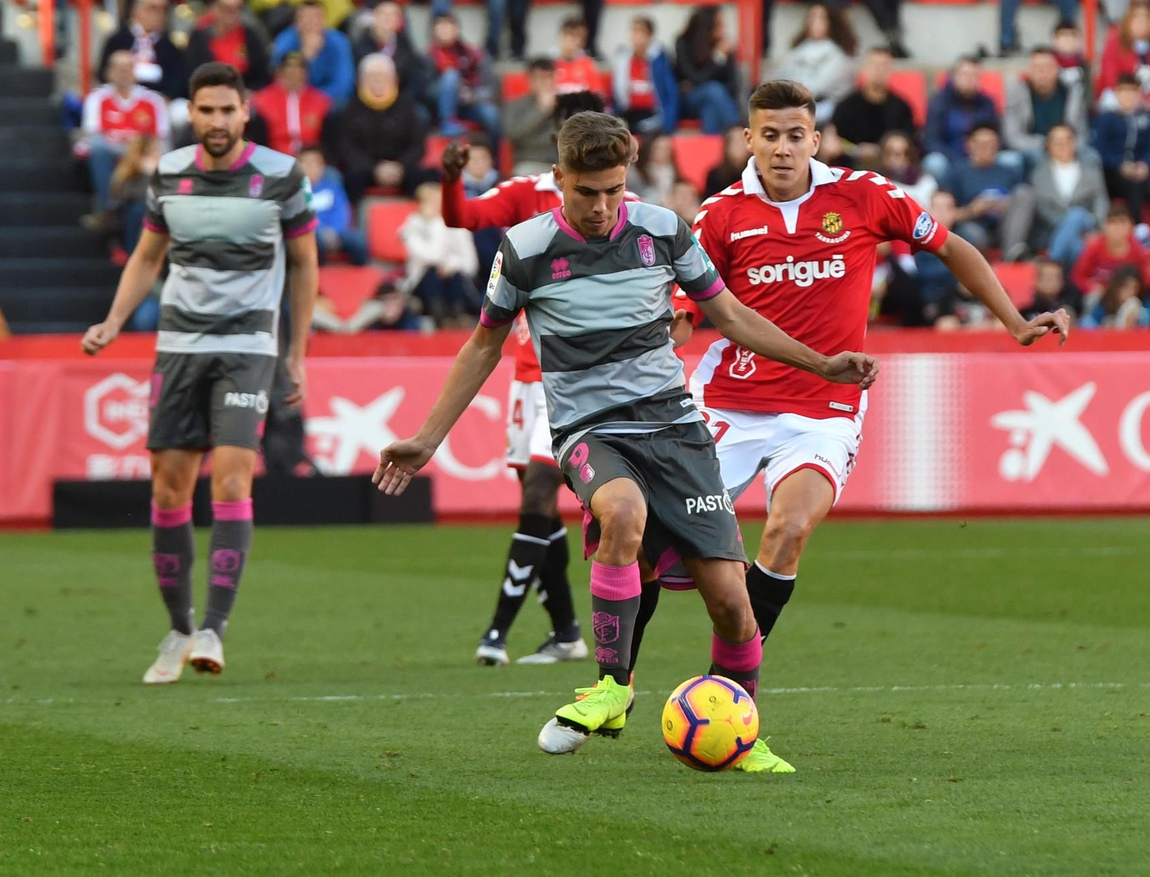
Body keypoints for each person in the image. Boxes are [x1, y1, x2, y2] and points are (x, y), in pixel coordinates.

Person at [374, 111, 880, 775]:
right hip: (592, 428)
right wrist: (426, 438)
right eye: (588, 192)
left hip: (675, 424)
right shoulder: (524, 249)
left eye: (614, 189)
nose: (603, 206)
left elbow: (727, 314)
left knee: (731, 601)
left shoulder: (664, 230)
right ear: (559, 180)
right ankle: (613, 685)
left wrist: (820, 363)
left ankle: (742, 730)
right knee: (623, 514)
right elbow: (483, 344)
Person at [643, 80, 1066, 727]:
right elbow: (687, 310)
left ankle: (731, 693)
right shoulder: (719, 214)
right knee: (650, 538)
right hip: (730, 399)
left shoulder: (865, 196)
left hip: (824, 406)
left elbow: (950, 246)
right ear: (748, 139)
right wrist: (657, 342)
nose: (783, 148)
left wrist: (1012, 321)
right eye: (770, 135)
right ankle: (613, 683)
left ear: (817, 139)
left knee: (787, 531)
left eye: (795, 135)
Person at [80, 62, 319, 686]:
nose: (216, 121)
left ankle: (215, 627)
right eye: (205, 110)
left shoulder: (280, 177)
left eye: (227, 110)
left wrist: (296, 352)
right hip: (178, 346)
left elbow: (303, 263)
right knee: (167, 490)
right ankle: (179, 628)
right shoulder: (167, 173)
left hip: (248, 346)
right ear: (191, 112)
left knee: (234, 482)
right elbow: (148, 255)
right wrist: (112, 321)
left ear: (246, 112)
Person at [438, 127, 630, 666]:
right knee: (540, 512)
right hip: (527, 378)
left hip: (578, 380)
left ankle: (496, 633)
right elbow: (463, 218)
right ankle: (567, 631)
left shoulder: (622, 204)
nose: (599, 200)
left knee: (537, 499)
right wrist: (451, 179)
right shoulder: (529, 194)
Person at [82, 50, 171, 216]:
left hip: (143, 158)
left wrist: (138, 154)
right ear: (108, 72)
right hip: (113, 154)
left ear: (135, 72)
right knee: (97, 148)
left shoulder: (153, 101)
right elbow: (92, 137)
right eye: (118, 68)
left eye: (128, 68)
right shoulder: (97, 98)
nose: (123, 73)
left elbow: (160, 140)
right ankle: (109, 206)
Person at [325, 53, 427, 194]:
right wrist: (374, 169)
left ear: (394, 80)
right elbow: (347, 148)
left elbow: (417, 145)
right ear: (360, 81)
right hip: (365, 169)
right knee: (350, 178)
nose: (378, 81)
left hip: (400, 168)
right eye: (372, 77)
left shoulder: (408, 107)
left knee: (427, 177)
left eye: (383, 76)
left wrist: (400, 166)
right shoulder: (348, 110)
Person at [1010, 123, 1109, 264]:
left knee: (1077, 215)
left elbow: (1101, 201)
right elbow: (1042, 208)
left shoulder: (1091, 169)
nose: (1062, 145)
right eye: (1057, 141)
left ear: (1074, 142)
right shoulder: (1038, 174)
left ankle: (1052, 262)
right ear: (1048, 145)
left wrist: (1097, 228)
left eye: (1067, 140)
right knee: (1076, 243)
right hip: (1051, 230)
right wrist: (1068, 225)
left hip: (1086, 226)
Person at [1092, 74, 1150, 239]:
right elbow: (1100, 150)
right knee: (1132, 184)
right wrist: (1120, 165)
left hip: (1141, 167)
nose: (1128, 97)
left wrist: (1146, 164)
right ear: (1116, 93)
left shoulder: (1148, 118)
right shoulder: (1106, 119)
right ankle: (1139, 227)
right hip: (1115, 172)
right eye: (1124, 92)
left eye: (1133, 92)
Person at [399, 181, 479, 325]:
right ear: (420, 204)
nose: (438, 206)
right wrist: (437, 224)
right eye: (432, 202)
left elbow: (471, 264)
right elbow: (433, 256)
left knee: (454, 276)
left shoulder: (458, 226)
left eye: (440, 201)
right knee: (432, 274)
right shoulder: (411, 229)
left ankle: (457, 318)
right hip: (421, 287)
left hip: (455, 283)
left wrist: (451, 265)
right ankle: (440, 318)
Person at [943, 122, 1025, 249]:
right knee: (973, 233)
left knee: (1024, 192)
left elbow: (1022, 205)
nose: (987, 148)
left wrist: (1008, 204)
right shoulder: (956, 173)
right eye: (982, 144)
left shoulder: (1009, 172)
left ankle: (1011, 252)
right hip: (972, 225)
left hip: (1005, 226)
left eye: (991, 144)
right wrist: (973, 209)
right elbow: (945, 214)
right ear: (969, 145)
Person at [99, 0, 188, 103]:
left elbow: (178, 78)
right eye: (152, 8)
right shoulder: (119, 38)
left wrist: (168, 97)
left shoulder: (169, 46)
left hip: (159, 99)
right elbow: (103, 71)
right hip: (122, 95)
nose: (158, 14)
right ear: (136, 9)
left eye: (163, 10)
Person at [924, 57, 1005, 182]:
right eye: (965, 75)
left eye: (974, 76)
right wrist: (957, 159)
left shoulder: (987, 103)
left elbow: (997, 135)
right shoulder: (939, 102)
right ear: (953, 76)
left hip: (984, 156)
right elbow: (932, 140)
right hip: (950, 156)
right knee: (934, 163)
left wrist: (984, 155)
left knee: (1010, 160)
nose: (969, 79)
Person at [1094, 1, 1150, 108]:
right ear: (1128, 21)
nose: (1142, 23)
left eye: (1146, 19)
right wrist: (1129, 95)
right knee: (1108, 102)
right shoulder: (1115, 42)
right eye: (1137, 19)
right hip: (1123, 93)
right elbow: (1109, 74)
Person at [1004, 47, 1087, 163]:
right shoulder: (1017, 92)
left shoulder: (1073, 93)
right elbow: (1012, 136)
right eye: (1037, 68)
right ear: (1029, 71)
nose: (1042, 72)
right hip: (1033, 148)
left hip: (1068, 147)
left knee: (1091, 156)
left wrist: (1065, 147)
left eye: (1047, 67)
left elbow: (1082, 134)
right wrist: (1045, 144)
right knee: (1012, 160)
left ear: (1057, 69)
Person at [832, 46, 916, 159]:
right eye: (874, 65)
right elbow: (835, 140)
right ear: (864, 68)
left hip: (889, 167)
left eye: (884, 66)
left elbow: (908, 141)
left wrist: (884, 148)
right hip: (852, 166)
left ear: (891, 70)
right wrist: (855, 150)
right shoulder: (846, 106)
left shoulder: (902, 108)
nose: (879, 70)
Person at [427, 14, 500, 142]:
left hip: (470, 104)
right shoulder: (427, 58)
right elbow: (425, 91)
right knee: (450, 76)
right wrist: (451, 91)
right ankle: (447, 121)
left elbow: (491, 89)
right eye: (441, 26)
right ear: (433, 31)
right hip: (438, 108)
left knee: (491, 114)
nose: (445, 30)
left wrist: (470, 96)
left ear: (457, 30)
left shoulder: (475, 54)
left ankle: (495, 159)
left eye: (448, 26)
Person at [778, 5, 856, 124]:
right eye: (812, 17)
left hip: (825, 108)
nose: (815, 22)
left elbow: (818, 87)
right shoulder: (797, 51)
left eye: (821, 18)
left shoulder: (839, 56)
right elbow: (781, 76)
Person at [674, 7, 743, 136]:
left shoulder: (724, 46)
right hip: (688, 100)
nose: (724, 29)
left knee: (710, 109)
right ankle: (736, 132)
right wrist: (717, 57)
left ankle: (714, 150)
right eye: (720, 25)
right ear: (708, 26)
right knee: (713, 89)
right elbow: (695, 78)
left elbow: (732, 85)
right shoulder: (684, 43)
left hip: (715, 100)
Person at [184, 0, 271, 92]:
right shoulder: (199, 36)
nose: (232, 14)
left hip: (244, 94)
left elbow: (262, 74)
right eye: (226, 9)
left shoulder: (250, 35)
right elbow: (193, 73)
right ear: (214, 8)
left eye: (237, 9)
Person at [271, 0, 355, 104]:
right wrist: (306, 57)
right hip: (294, 97)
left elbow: (344, 84)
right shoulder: (285, 41)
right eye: (305, 18)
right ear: (296, 22)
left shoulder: (339, 42)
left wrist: (314, 100)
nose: (311, 23)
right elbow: (278, 80)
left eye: (316, 17)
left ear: (324, 20)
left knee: (342, 103)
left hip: (326, 99)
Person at [250, 52, 332, 156]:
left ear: (306, 73)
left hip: (311, 161)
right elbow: (258, 139)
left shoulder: (320, 101)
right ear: (279, 72)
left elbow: (328, 140)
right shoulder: (261, 100)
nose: (294, 73)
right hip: (274, 158)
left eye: (298, 69)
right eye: (289, 69)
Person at [351, 0, 429, 106]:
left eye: (393, 15)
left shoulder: (404, 44)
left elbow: (416, 76)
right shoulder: (360, 45)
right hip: (367, 101)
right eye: (383, 14)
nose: (388, 18)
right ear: (374, 17)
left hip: (400, 101)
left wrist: (404, 100)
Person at [298, 146, 367, 266]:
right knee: (315, 240)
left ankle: (359, 274)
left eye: (316, 164)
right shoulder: (295, 192)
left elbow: (342, 211)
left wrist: (334, 232)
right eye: (306, 164)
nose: (311, 168)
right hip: (312, 235)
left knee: (359, 239)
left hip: (336, 233)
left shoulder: (333, 187)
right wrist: (321, 232)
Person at [612, 16, 679, 135]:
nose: (635, 36)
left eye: (640, 32)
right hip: (629, 111)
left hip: (651, 113)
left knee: (646, 129)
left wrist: (668, 124)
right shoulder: (623, 59)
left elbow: (670, 93)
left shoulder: (660, 60)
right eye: (633, 31)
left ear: (649, 35)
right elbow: (616, 94)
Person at [1069, 203, 1144, 310]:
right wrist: (1092, 286)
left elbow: (1142, 281)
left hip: (1126, 296)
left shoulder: (1137, 251)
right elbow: (1077, 276)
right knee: (1092, 298)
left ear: (1130, 226)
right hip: (1100, 296)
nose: (1117, 228)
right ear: (1105, 226)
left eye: (1122, 223)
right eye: (1113, 223)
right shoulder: (1094, 246)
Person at [505, 58, 561, 175]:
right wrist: (541, 111)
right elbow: (513, 134)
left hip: (559, 164)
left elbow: (566, 137)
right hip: (529, 163)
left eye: (550, 77)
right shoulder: (516, 105)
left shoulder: (564, 104)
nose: (546, 82)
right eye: (541, 78)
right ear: (530, 80)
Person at [552, 16, 605, 96]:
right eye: (572, 35)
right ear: (562, 35)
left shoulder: (587, 63)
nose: (576, 41)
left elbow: (597, 94)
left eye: (580, 37)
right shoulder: (550, 63)